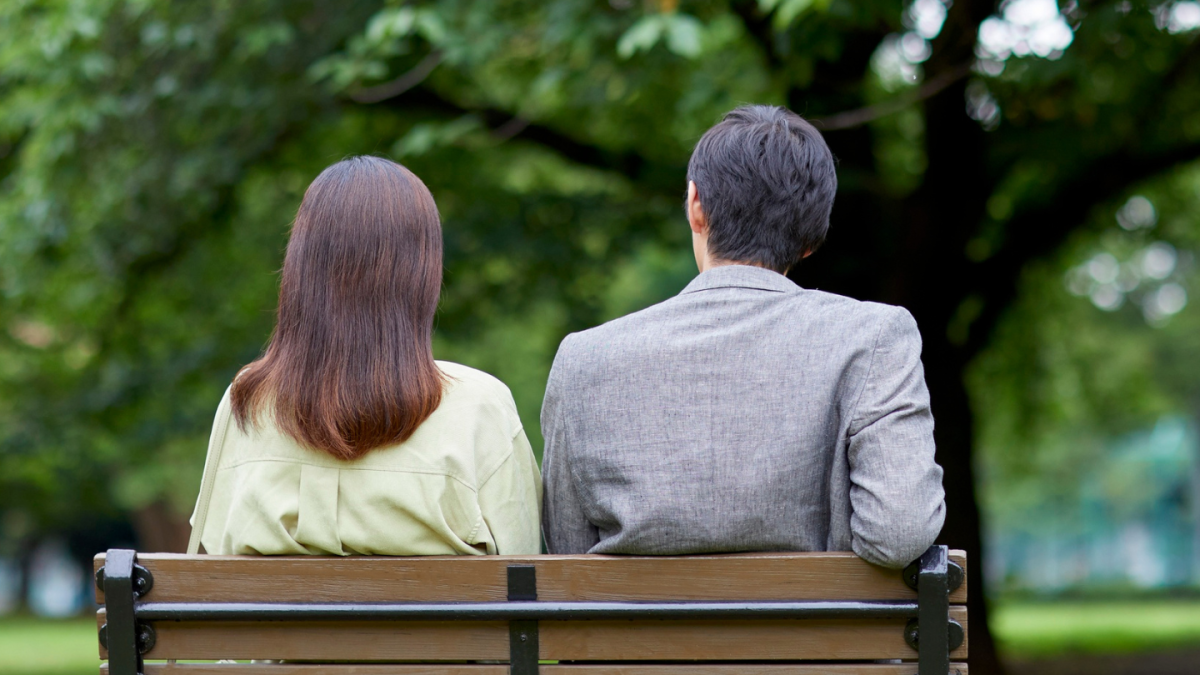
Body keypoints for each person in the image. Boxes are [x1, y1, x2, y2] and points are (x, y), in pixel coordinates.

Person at [540, 105, 944, 568]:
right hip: (816, 642)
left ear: (695, 206)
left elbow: (567, 555)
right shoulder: (874, 339)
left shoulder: (584, 359)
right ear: (812, 238)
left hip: (633, 643)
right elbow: (899, 533)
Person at [189, 156, 541, 556]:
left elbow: (208, 561)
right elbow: (525, 579)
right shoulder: (481, 407)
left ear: (301, 267)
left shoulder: (247, 404)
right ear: (422, 272)